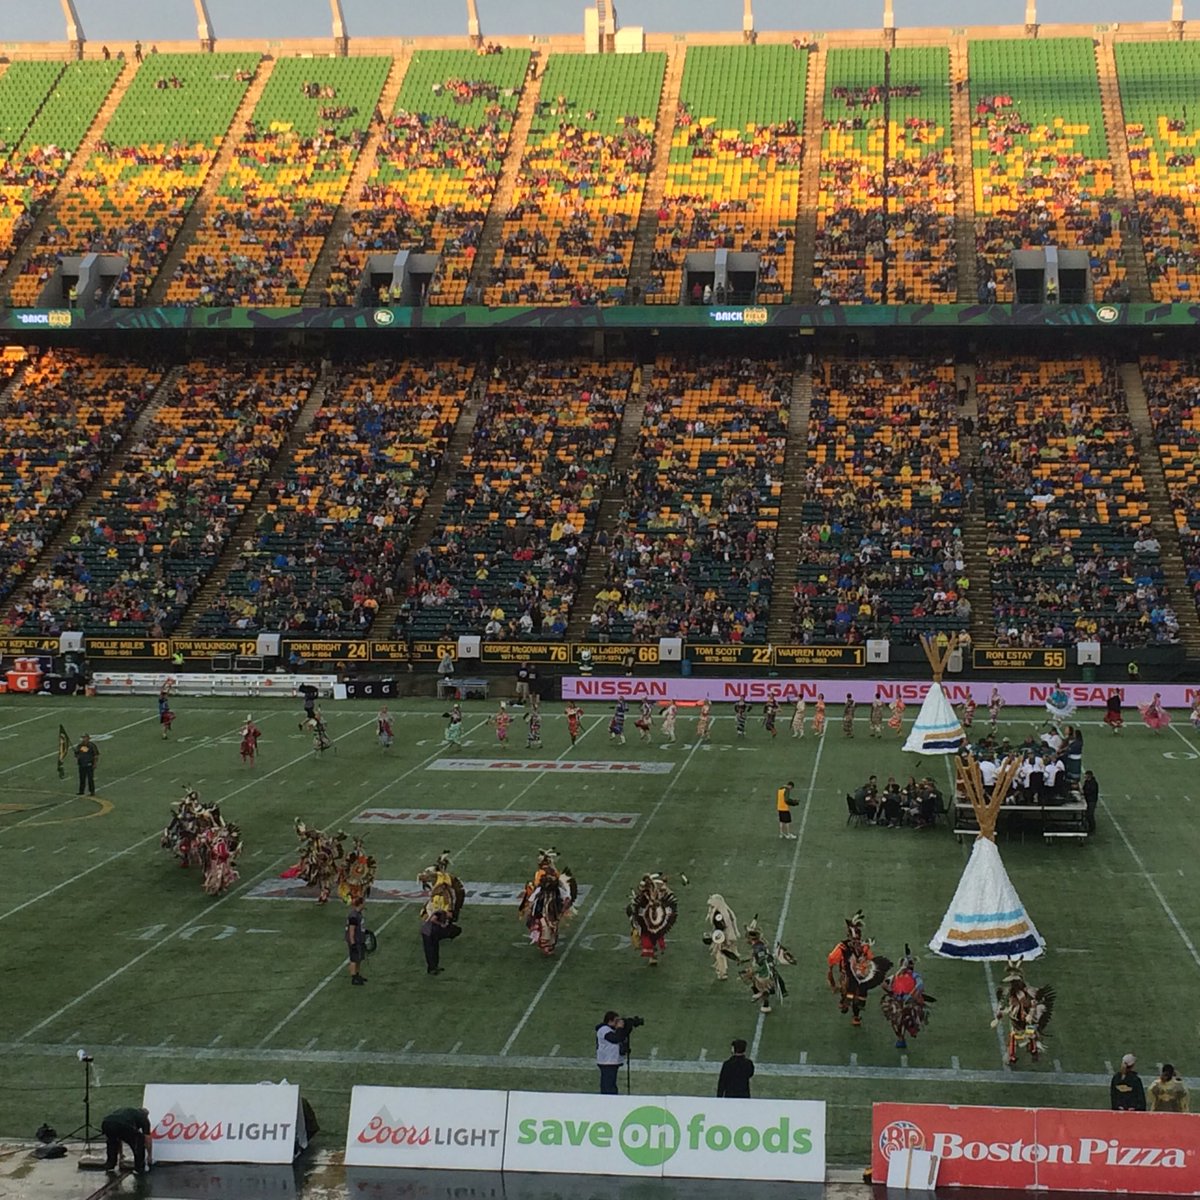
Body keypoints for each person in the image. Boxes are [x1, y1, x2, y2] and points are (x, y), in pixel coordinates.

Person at [101, 1105, 151, 1175]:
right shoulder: (143, 1118)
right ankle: (139, 1168)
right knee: (139, 1140)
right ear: (146, 1115)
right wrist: (149, 1156)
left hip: (107, 1122)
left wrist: (121, 1154)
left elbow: (119, 1137)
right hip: (123, 1125)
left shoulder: (126, 1112)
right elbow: (147, 1139)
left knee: (112, 1142)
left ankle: (110, 1165)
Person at [595, 1012, 630, 1094]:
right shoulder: (603, 1030)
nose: (618, 1023)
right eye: (616, 1020)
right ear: (610, 1021)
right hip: (607, 1061)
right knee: (608, 1086)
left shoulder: (611, 1030)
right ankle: (608, 1100)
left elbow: (621, 1037)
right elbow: (615, 1039)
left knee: (611, 1084)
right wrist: (620, 1028)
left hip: (611, 1061)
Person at [421, 908, 459, 975]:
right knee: (430, 951)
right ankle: (431, 969)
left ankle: (435, 966)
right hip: (427, 932)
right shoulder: (440, 913)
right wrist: (441, 924)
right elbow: (433, 919)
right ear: (450, 913)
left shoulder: (445, 917)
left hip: (433, 933)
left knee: (435, 950)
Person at [346, 895, 367, 985]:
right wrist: (353, 943)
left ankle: (357, 975)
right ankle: (354, 977)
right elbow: (351, 930)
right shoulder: (354, 916)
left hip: (359, 939)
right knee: (354, 959)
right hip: (355, 940)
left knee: (359, 958)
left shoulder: (358, 914)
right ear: (360, 904)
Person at [1082, 769, 1099, 834]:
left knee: (1090, 814)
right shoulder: (1087, 782)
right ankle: (1088, 826)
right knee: (1087, 814)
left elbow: (1091, 792)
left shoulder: (1094, 783)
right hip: (1088, 800)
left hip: (1092, 801)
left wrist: (1084, 792)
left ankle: (1092, 828)